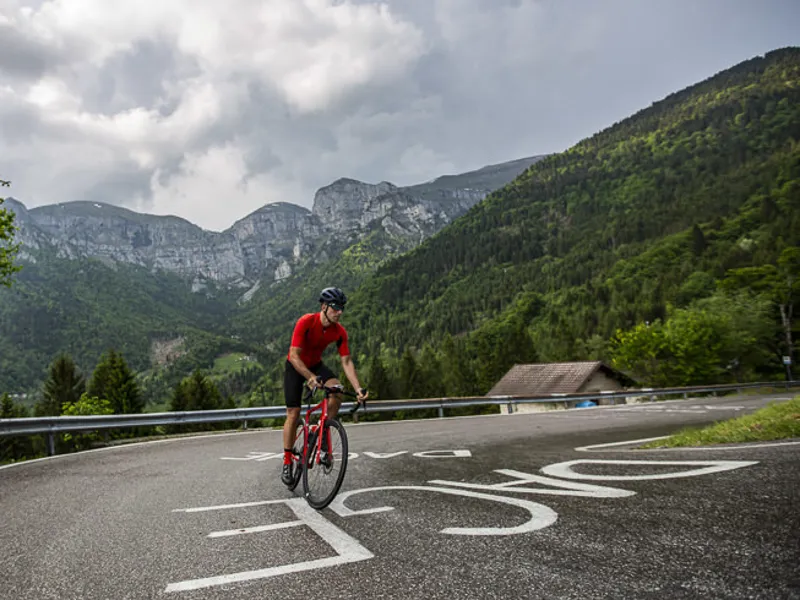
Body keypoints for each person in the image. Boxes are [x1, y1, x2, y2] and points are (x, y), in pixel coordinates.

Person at [281, 286, 369, 485]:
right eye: (335, 307)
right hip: (295, 366)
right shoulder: (306, 322)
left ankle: (321, 432)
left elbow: (346, 361)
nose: (340, 312)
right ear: (324, 306)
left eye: (342, 308)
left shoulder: (339, 332)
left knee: (336, 390)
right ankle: (287, 460)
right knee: (293, 414)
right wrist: (310, 377)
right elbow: (294, 355)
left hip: (316, 365)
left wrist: (358, 389)